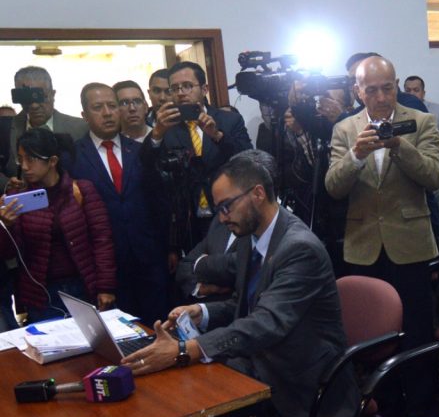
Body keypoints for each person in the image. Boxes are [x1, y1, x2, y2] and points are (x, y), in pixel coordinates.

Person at [122, 150, 354, 417]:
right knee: (179, 391)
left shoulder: (299, 248)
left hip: (301, 376)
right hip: (263, 356)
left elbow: (265, 323)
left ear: (257, 194)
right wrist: (201, 313)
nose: (221, 219)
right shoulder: (251, 237)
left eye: (226, 206)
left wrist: (185, 351)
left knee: (196, 401)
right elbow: (244, 304)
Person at [325, 55, 439, 417]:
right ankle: (388, 406)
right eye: (371, 89)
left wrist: (398, 145)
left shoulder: (421, 121)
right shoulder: (345, 130)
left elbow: (435, 177)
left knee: (418, 330)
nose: (380, 96)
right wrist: (357, 156)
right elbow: (333, 187)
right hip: (363, 244)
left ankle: (422, 410)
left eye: (387, 87)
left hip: (410, 242)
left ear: (396, 85)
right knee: (379, 334)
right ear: (358, 91)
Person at [72, 84, 169, 324]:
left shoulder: (140, 151)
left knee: (159, 329)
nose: (107, 113)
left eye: (112, 106)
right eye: (97, 107)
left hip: (150, 260)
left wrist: (170, 248)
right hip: (105, 268)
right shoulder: (72, 158)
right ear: (84, 115)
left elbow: (159, 202)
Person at [0, 129, 116, 322]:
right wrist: (6, 226)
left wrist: (106, 287)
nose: (25, 167)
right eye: (21, 159)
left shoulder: (81, 190)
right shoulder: (18, 199)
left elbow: (102, 240)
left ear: (52, 161)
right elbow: (10, 253)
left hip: (83, 287)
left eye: (31, 159)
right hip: (41, 295)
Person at [141, 61, 254, 253]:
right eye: (174, 88)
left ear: (204, 89)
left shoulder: (228, 120)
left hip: (228, 209)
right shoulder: (167, 128)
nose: (181, 92)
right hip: (188, 217)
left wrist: (217, 136)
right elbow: (147, 166)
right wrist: (157, 134)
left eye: (187, 86)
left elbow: (248, 159)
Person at [5, 66, 89, 183]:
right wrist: (7, 184)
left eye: (40, 96)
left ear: (53, 94)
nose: (34, 105)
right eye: (27, 97)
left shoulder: (81, 128)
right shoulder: (5, 128)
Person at [403, 75, 439, 142]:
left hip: (430, 148)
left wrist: (430, 136)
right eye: (408, 90)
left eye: (416, 90)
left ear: (423, 93)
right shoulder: (398, 110)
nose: (412, 93)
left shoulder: (438, 109)